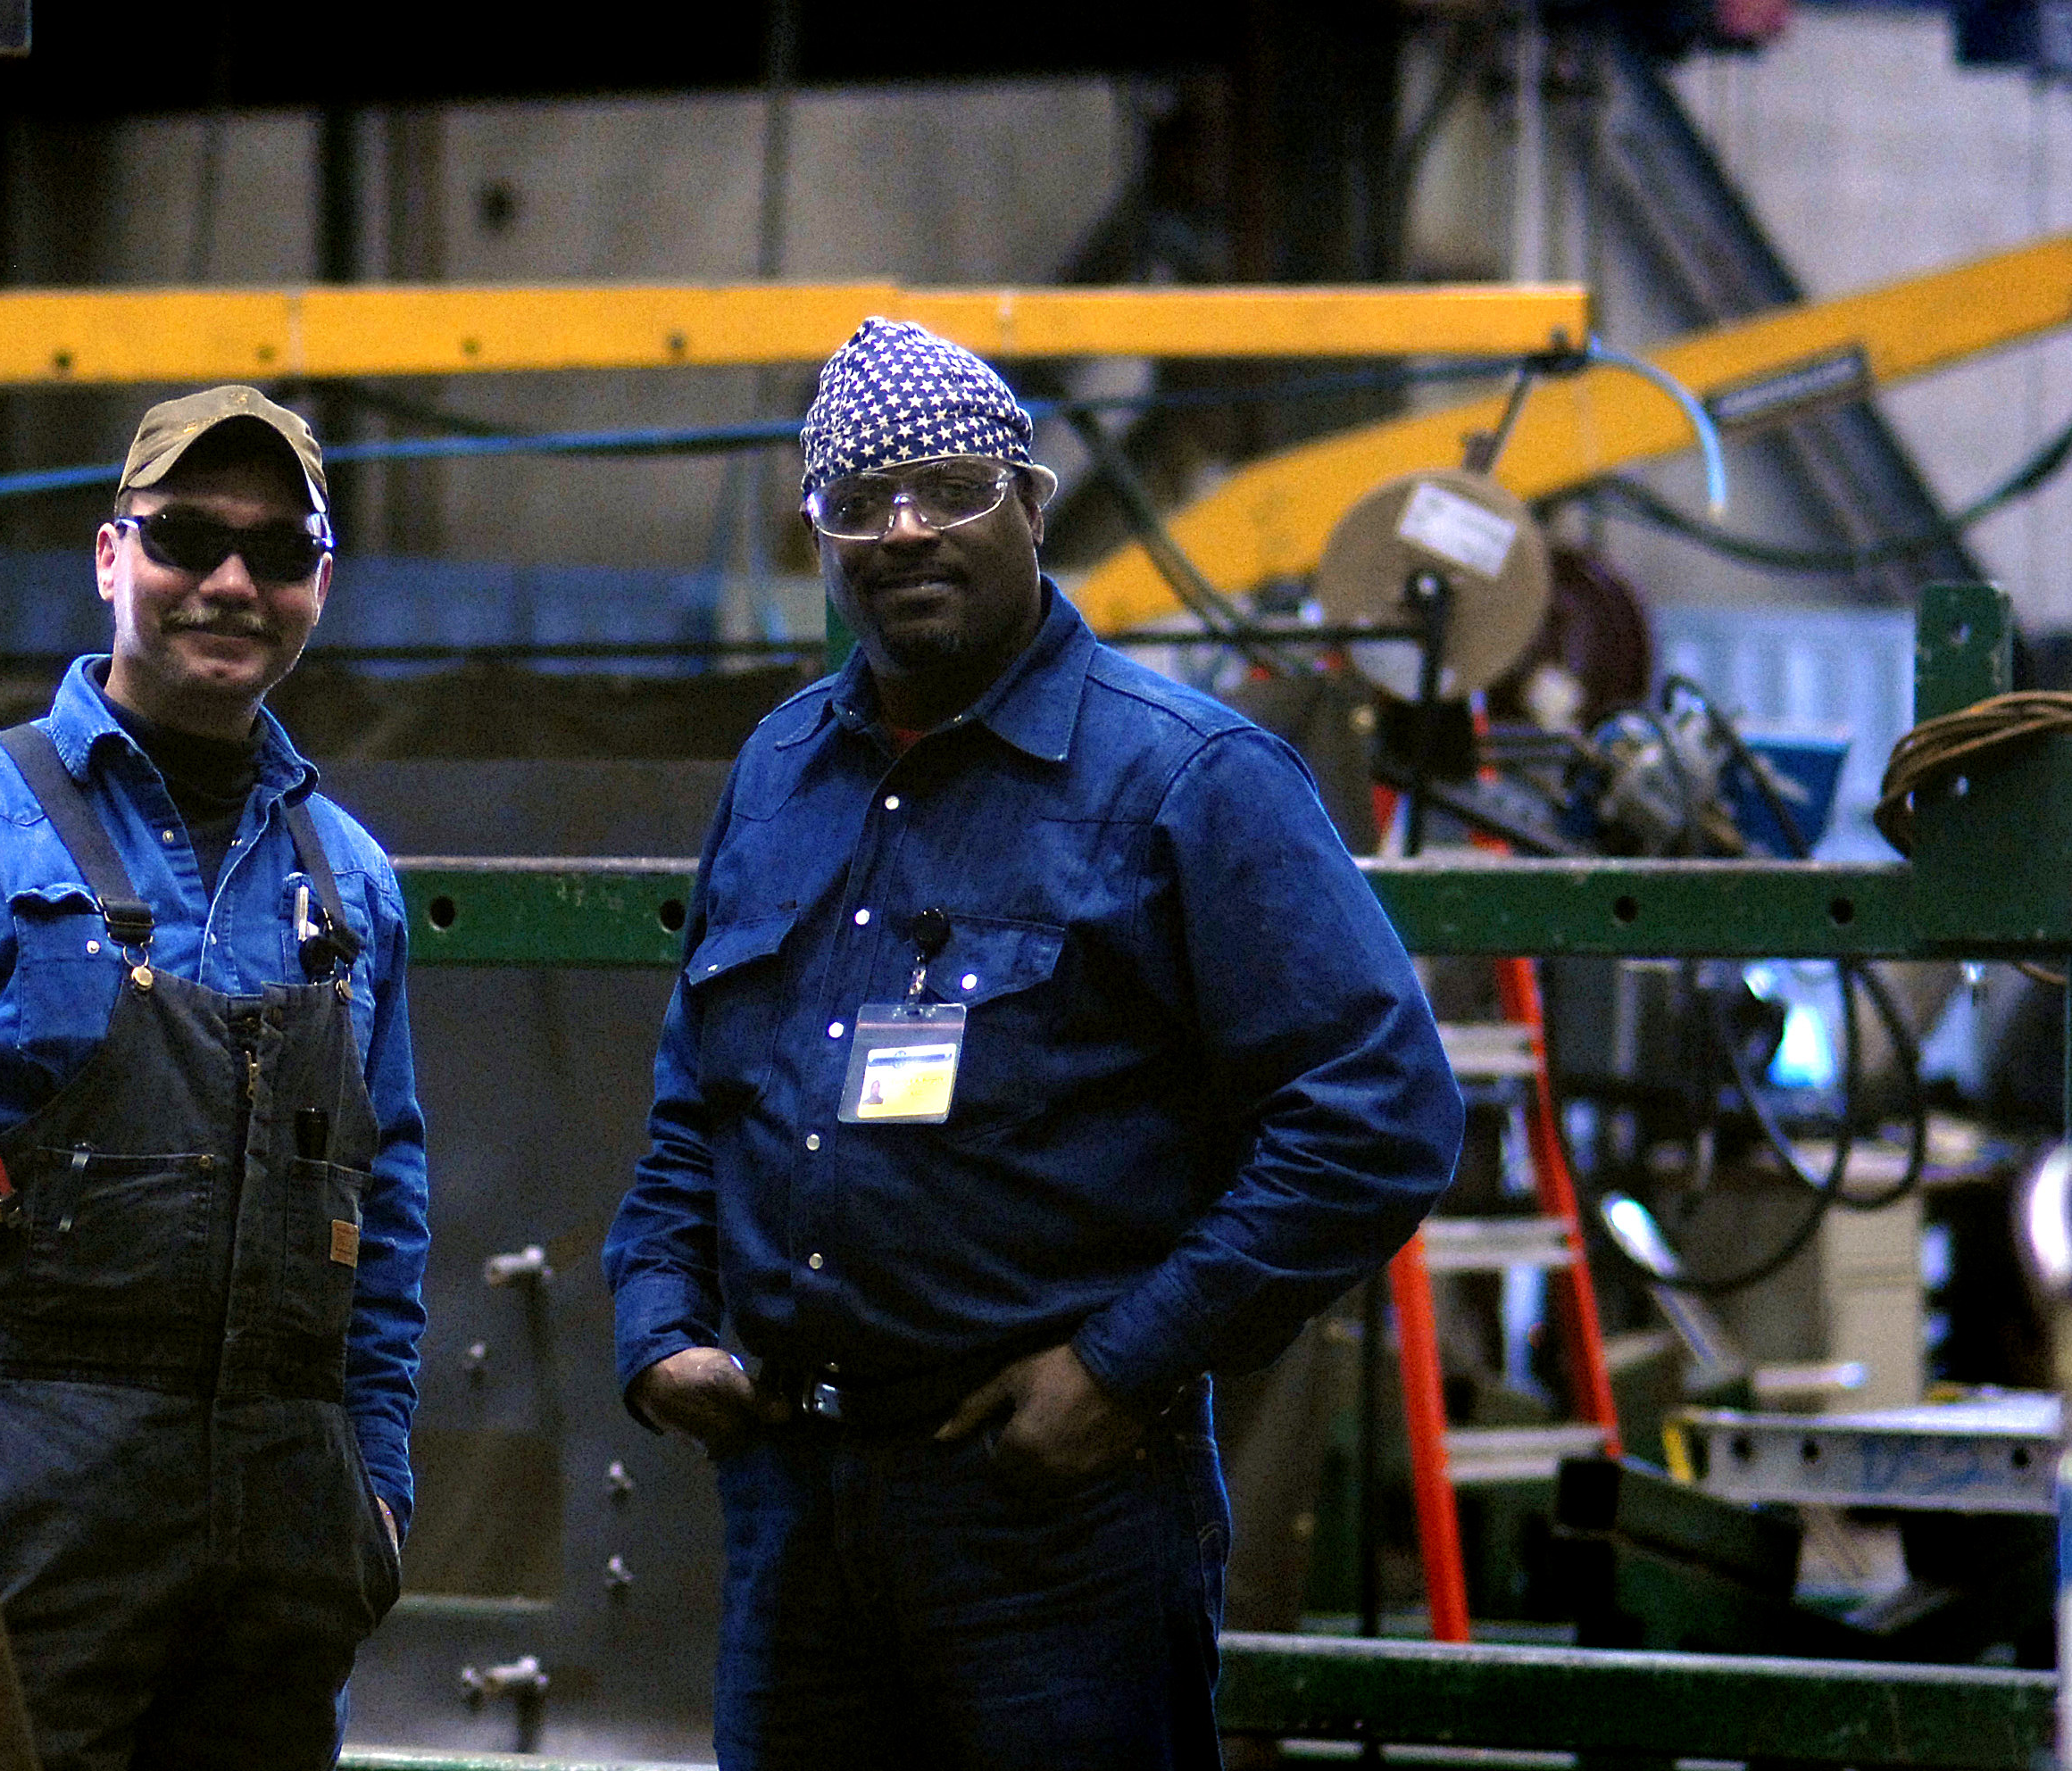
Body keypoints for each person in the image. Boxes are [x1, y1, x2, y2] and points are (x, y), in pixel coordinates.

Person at [602, 319, 1464, 1770]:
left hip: (1053, 1516)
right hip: (792, 1516)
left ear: (1032, 504)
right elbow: (699, 1096)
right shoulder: (777, 772)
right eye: (858, 502)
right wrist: (656, 1325)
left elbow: (1378, 1113)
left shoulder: (1191, 778)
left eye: (949, 489)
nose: (904, 531)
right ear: (817, 531)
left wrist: (1125, 1367)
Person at [0, 386, 428, 1771]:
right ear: (111, 558)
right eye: (185, 539)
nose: (231, 583)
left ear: (320, 586)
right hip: (18, 1510)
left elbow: (385, 1203)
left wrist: (376, 1491)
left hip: (283, 1536)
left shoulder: (353, 880)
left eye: (278, 553)